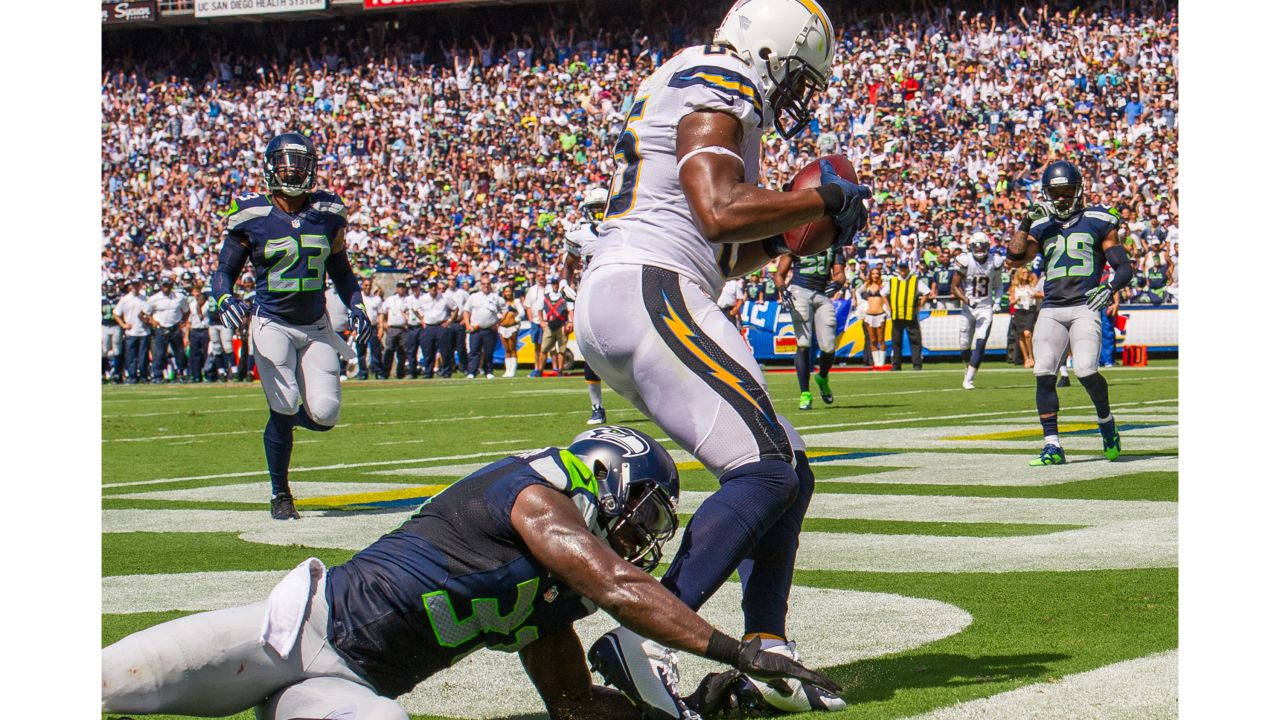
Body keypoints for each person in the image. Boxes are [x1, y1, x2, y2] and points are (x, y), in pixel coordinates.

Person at [101, 426, 841, 720]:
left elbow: (574, 707)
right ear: (607, 477)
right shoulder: (530, 494)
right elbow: (624, 589)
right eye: (642, 513)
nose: (637, 535)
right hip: (294, 632)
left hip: (352, 687)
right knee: (108, 683)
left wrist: (665, 719)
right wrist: (739, 648)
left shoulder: (554, 599)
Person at [573, 1, 865, 715]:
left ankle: (767, 643)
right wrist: (818, 198)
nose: (797, 96)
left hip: (650, 284)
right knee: (766, 468)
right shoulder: (719, 75)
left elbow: (725, 247)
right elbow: (716, 210)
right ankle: (648, 629)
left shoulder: (693, 78)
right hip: (649, 284)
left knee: (788, 467)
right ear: (769, 49)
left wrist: (800, 232)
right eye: (798, 76)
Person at [210, 132, 373, 520]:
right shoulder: (251, 214)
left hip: (316, 325)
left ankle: (285, 425)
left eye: (300, 164)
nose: (294, 172)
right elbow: (224, 272)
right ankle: (280, 493)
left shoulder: (328, 211)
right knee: (282, 404)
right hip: (272, 323)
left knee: (325, 413)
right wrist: (224, 299)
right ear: (270, 168)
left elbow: (342, 271)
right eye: (286, 164)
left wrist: (358, 305)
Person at [1005, 160, 1133, 466]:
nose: (1062, 197)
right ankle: (1052, 444)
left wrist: (1110, 286)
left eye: (1067, 191)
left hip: (1085, 305)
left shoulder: (1099, 219)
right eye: (1056, 192)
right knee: (1043, 372)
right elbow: (1014, 258)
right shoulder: (1042, 225)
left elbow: (1123, 267)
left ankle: (1106, 422)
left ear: (1079, 190)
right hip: (1052, 307)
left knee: (1087, 369)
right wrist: (1024, 222)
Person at [775, 240, 845, 410]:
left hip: (822, 294)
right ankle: (805, 393)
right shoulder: (798, 239)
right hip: (799, 290)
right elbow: (779, 274)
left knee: (829, 346)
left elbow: (840, 273)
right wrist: (782, 289)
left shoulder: (833, 242)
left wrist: (837, 283)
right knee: (803, 343)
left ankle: (822, 377)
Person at [564, 187, 610, 423]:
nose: (600, 214)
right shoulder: (579, 233)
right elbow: (570, 263)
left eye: (603, 208)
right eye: (595, 209)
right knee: (590, 354)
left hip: (618, 293)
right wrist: (564, 282)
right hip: (590, 295)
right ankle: (597, 407)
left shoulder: (626, 225)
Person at [952, 231, 1004, 390]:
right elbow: (954, 287)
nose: (980, 249)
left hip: (985, 308)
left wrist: (997, 301)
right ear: (971, 246)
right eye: (977, 246)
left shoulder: (994, 261)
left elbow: (998, 285)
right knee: (964, 345)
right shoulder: (965, 260)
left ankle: (969, 379)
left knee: (981, 343)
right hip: (968, 308)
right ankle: (968, 368)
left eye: (983, 246)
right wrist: (967, 300)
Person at [884, 260, 929, 370]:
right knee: (896, 341)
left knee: (915, 340)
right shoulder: (893, 281)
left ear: (908, 268)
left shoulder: (914, 280)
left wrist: (919, 306)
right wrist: (889, 307)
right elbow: (883, 293)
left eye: (905, 268)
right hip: (896, 315)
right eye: (901, 268)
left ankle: (917, 364)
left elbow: (927, 292)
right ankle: (896, 365)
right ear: (898, 269)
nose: (903, 270)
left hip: (910, 314)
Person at [145, 275, 189, 383]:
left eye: (168, 285)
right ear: (160, 286)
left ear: (172, 285)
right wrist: (152, 321)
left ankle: (181, 373)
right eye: (164, 285)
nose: (166, 287)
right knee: (159, 353)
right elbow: (145, 313)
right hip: (161, 327)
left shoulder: (179, 297)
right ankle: (157, 375)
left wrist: (183, 322)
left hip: (175, 326)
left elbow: (187, 310)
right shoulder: (154, 299)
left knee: (179, 352)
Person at [464, 276, 502, 379]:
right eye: (484, 284)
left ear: (491, 285)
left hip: (490, 329)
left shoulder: (496, 297)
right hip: (476, 329)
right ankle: (472, 372)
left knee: (489, 352)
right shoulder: (473, 297)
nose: (486, 286)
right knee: (474, 352)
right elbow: (466, 311)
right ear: (481, 285)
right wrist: (468, 325)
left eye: (488, 284)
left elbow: (505, 310)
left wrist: (498, 323)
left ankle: (489, 371)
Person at [115, 277, 150, 384]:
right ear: (131, 286)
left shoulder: (145, 299)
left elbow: (149, 314)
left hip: (144, 331)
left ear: (140, 285)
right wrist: (123, 324)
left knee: (143, 356)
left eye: (137, 284)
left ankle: (144, 375)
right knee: (131, 356)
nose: (135, 287)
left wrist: (147, 320)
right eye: (133, 285)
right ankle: (132, 376)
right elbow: (116, 313)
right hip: (131, 332)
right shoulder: (125, 299)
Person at [1009, 266, 1043, 369]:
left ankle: (1031, 356)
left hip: (1030, 311)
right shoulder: (1014, 288)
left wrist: (1034, 295)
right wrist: (1018, 299)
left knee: (1027, 333)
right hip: (1019, 311)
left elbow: (1041, 294)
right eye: (1023, 273)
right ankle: (1026, 358)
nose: (1026, 274)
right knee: (1020, 335)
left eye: (1027, 272)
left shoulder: (1031, 286)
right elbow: (1011, 302)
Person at [417, 280, 452, 379]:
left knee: (444, 351)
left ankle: (446, 371)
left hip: (441, 325)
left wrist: (449, 321)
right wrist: (422, 320)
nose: (433, 288)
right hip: (429, 326)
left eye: (434, 286)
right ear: (428, 287)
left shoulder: (444, 297)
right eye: (431, 286)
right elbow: (415, 308)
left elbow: (455, 308)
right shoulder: (423, 298)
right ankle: (428, 372)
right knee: (428, 351)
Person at [380, 280, 412, 379]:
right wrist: (383, 325)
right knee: (389, 350)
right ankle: (385, 373)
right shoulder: (390, 299)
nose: (401, 289)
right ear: (397, 288)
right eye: (399, 287)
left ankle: (400, 373)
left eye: (403, 287)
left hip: (403, 329)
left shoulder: (408, 299)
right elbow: (382, 312)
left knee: (402, 352)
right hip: (392, 328)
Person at [356, 278, 385, 380]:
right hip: (361, 327)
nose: (367, 287)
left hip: (373, 327)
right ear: (362, 286)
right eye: (365, 285)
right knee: (361, 352)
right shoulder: (358, 298)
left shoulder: (376, 299)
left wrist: (381, 328)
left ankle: (378, 372)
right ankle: (363, 372)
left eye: (369, 285)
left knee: (376, 351)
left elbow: (380, 314)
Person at [542, 282, 572, 376]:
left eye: (557, 283)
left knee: (561, 350)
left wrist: (571, 322)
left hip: (561, 325)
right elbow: (540, 309)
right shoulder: (546, 296)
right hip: (550, 325)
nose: (555, 285)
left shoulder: (564, 296)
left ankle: (560, 370)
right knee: (544, 349)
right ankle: (539, 370)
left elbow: (570, 310)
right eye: (554, 283)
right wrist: (541, 321)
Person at [186, 279, 212, 384]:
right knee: (194, 354)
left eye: (198, 292)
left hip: (205, 329)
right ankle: (196, 375)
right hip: (195, 330)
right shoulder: (191, 304)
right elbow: (189, 319)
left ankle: (208, 374)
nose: (196, 294)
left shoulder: (206, 304)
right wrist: (187, 334)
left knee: (207, 353)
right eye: (194, 292)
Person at [860, 267, 887, 366]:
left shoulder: (883, 286)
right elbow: (857, 293)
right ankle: (876, 363)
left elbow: (888, 296)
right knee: (872, 340)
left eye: (877, 274)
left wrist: (886, 307)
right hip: (869, 315)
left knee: (881, 339)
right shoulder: (867, 285)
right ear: (870, 275)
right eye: (873, 274)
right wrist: (862, 305)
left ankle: (881, 363)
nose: (875, 276)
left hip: (880, 314)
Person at [524, 271, 549, 377]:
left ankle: (545, 368)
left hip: (548, 321)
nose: (541, 277)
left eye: (542, 275)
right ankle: (537, 368)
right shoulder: (532, 290)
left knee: (547, 347)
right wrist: (531, 320)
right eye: (539, 275)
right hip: (535, 321)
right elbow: (528, 305)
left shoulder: (550, 288)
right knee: (537, 347)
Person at [497, 284, 524, 377]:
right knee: (507, 349)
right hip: (502, 327)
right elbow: (496, 312)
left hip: (512, 327)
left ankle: (513, 370)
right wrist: (500, 317)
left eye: (509, 291)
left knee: (512, 348)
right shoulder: (501, 302)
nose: (508, 293)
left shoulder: (515, 301)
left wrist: (515, 320)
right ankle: (507, 370)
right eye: (506, 291)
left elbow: (522, 313)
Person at [102, 281, 124, 384]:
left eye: (111, 287)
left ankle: (117, 373)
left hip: (116, 326)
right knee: (104, 350)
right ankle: (102, 373)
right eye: (108, 287)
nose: (110, 289)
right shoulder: (101, 299)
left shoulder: (119, 299)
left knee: (117, 350)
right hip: (104, 326)